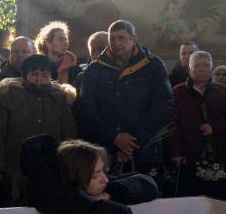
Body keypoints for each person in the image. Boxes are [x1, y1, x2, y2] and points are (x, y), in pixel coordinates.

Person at [21, 134, 195, 214]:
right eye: (96, 175)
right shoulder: (49, 189)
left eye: (104, 171)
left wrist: (111, 193)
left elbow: (147, 183)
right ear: (75, 176)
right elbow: (92, 210)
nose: (104, 179)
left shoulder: (98, 183)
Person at [74, 20, 173, 182]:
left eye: (121, 38)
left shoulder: (153, 65)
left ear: (134, 39)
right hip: (105, 150)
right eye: (112, 38)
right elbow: (85, 109)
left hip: (144, 149)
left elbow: (163, 105)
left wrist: (133, 141)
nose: (116, 43)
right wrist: (114, 137)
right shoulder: (94, 69)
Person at [0, 54, 77, 206]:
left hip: (52, 166)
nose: (39, 79)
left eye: (44, 75)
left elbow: (70, 135)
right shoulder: (10, 95)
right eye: (34, 74)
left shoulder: (61, 98)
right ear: (25, 75)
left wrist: (71, 166)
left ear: (52, 76)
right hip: (15, 164)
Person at [167, 51, 226, 198]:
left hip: (220, 159)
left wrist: (215, 128)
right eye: (197, 65)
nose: (202, 69)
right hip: (188, 159)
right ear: (189, 69)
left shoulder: (224, 92)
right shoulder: (177, 93)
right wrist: (176, 152)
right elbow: (171, 125)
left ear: (211, 68)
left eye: (206, 65)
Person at [34, 22, 82, 86]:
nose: (65, 44)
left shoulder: (75, 70)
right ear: (48, 42)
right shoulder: (35, 66)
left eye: (66, 40)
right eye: (61, 40)